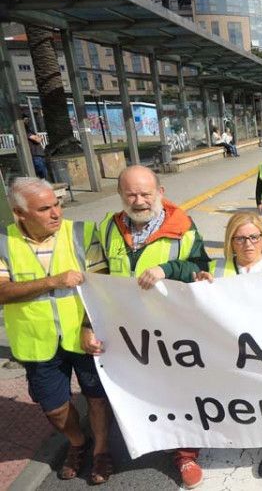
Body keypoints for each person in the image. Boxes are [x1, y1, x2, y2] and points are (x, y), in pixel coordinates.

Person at [97, 166, 210, 488]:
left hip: (171, 331)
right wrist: (89, 323)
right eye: (131, 194)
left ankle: (185, 454)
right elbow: (94, 276)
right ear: (120, 196)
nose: (139, 201)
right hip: (125, 331)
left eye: (146, 193)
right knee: (140, 390)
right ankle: (145, 438)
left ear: (160, 192)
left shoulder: (183, 226)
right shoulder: (107, 227)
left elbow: (201, 268)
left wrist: (168, 268)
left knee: (180, 390)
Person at [0, 177, 112, 484]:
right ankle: (78, 442)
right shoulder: (2, 240)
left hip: (83, 337)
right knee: (55, 409)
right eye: (45, 209)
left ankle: (101, 450)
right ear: (19, 213)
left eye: (57, 204)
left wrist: (89, 326)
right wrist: (52, 281)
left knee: (97, 398)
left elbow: (103, 286)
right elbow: (1, 292)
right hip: (36, 342)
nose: (56, 213)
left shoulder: (81, 232)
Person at [193, 212, 262, 477]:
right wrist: (200, 291)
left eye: (254, 237)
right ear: (230, 241)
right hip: (237, 351)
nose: (248, 244)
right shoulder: (217, 270)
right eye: (240, 238)